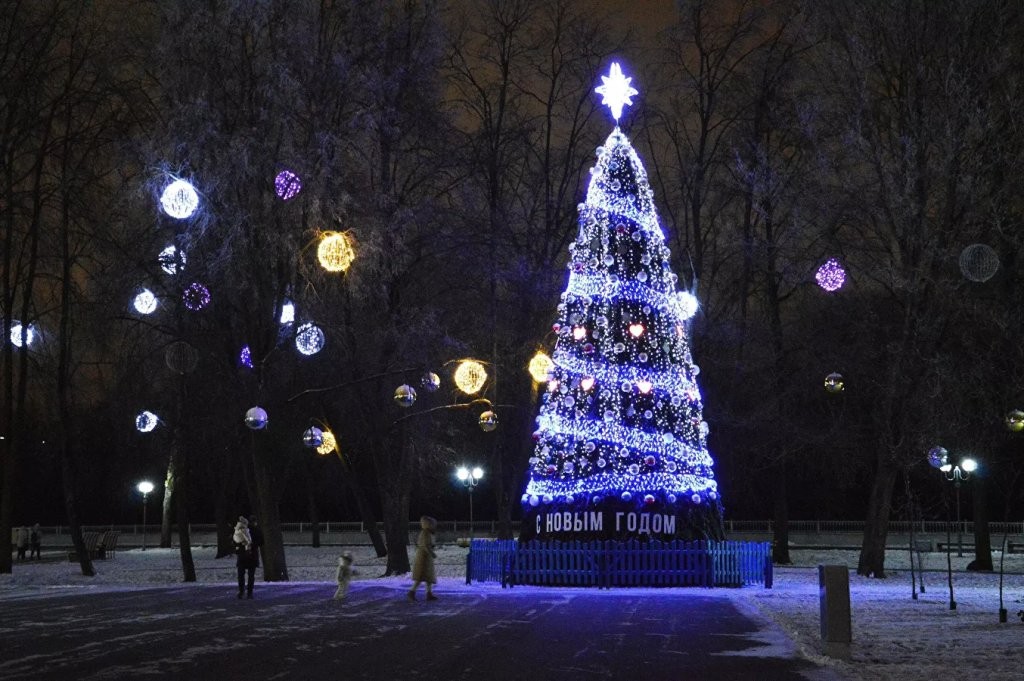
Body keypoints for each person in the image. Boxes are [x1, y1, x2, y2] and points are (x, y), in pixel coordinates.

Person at [408, 515, 437, 601]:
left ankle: (429, 594)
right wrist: (432, 553)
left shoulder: (428, 532)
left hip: (426, 556)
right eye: (432, 524)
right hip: (423, 557)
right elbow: (425, 545)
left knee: (428, 577)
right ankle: (411, 592)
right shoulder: (425, 533)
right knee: (421, 576)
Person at [232, 516, 256, 599]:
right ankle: (249, 593)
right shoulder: (253, 531)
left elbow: (234, 542)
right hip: (251, 555)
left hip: (242, 555)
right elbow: (258, 541)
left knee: (241, 575)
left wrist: (239, 545)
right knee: (251, 575)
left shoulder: (237, 530)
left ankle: (241, 591)